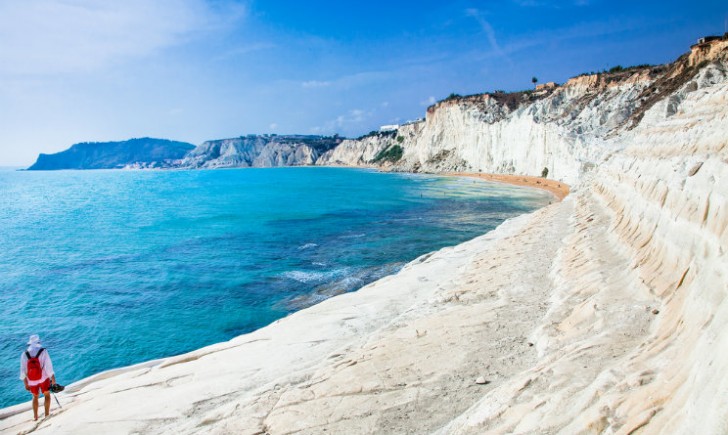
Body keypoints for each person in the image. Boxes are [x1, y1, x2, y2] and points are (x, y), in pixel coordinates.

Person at [19, 334, 56, 421]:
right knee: (47, 395)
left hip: (32, 380)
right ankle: (47, 415)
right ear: (38, 342)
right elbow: (48, 366)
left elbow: (23, 370)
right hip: (43, 378)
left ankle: (35, 417)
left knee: (35, 397)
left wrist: (25, 383)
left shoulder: (25, 354)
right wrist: (53, 379)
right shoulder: (43, 351)